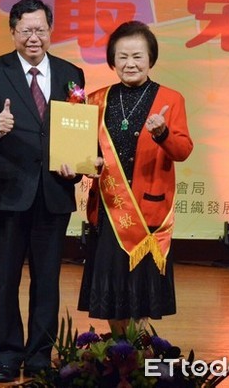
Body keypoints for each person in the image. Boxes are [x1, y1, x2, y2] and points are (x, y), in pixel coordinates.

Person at [0, 0, 85, 383]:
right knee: (5, 279)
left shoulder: (71, 73)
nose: (34, 37)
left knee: (47, 280)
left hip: (52, 192)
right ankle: (5, 356)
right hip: (5, 192)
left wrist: (79, 164)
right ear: (13, 31)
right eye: (26, 30)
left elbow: (77, 128)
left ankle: (38, 356)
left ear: (50, 31)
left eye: (41, 30)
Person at [77, 20, 193, 336]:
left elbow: (183, 150)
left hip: (147, 213)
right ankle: (117, 352)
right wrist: (88, 163)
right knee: (111, 294)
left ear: (151, 60)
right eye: (123, 56)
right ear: (112, 61)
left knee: (139, 296)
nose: (130, 64)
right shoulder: (95, 100)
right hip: (108, 210)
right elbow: (83, 155)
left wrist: (163, 132)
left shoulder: (171, 99)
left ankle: (137, 358)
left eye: (138, 56)